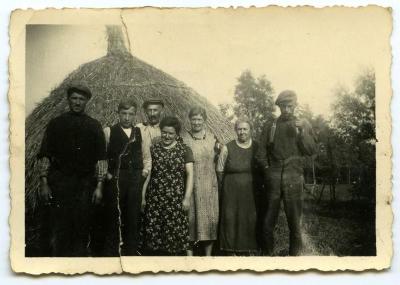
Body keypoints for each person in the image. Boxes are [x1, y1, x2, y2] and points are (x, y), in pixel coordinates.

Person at [37, 84, 107, 257]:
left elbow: (101, 159)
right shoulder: (56, 124)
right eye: (74, 98)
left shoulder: (94, 126)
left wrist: (99, 186)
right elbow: (45, 154)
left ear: (86, 101)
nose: (77, 102)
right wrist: (44, 182)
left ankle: (78, 264)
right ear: (68, 100)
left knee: (82, 225)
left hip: (84, 184)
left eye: (81, 99)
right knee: (60, 226)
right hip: (60, 182)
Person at [256, 90, 317, 256]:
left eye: (290, 105)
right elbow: (260, 152)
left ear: (295, 106)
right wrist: (268, 171)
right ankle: (268, 256)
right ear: (279, 106)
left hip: (294, 176)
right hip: (273, 177)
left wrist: (303, 131)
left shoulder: (303, 124)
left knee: (295, 222)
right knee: (268, 221)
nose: (287, 109)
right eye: (284, 106)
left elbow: (311, 150)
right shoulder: (271, 125)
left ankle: (294, 259)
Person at [102, 99, 151, 256]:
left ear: (135, 115)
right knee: (113, 216)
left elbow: (147, 157)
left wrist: (144, 173)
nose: (127, 118)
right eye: (124, 114)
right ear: (118, 113)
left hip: (135, 180)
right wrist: (107, 175)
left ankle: (131, 252)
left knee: (133, 216)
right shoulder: (109, 131)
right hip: (116, 179)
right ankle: (113, 253)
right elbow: (101, 157)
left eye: (130, 114)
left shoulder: (140, 132)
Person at [141, 116, 194, 255]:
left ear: (177, 134)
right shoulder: (154, 149)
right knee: (155, 237)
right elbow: (149, 174)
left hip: (175, 199)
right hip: (155, 199)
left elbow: (190, 175)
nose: (167, 136)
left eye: (171, 133)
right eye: (164, 132)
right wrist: (143, 197)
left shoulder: (185, 150)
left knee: (174, 236)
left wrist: (187, 198)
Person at [217, 117, 259, 255]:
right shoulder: (227, 147)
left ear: (250, 130)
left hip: (250, 189)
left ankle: (247, 249)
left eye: (245, 129)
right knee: (230, 217)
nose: (242, 132)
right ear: (235, 131)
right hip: (231, 189)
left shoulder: (257, 147)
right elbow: (220, 169)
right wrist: (224, 187)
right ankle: (229, 249)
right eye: (239, 129)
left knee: (248, 217)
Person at [183, 107, 219, 256]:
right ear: (190, 120)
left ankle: (208, 256)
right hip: (191, 185)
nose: (196, 122)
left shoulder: (212, 138)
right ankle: (189, 257)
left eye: (199, 119)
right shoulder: (183, 138)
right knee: (190, 220)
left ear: (204, 121)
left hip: (209, 186)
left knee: (209, 220)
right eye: (194, 119)